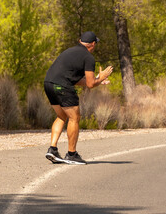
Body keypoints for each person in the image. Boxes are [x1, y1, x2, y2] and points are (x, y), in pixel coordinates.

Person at [43, 31, 113, 164]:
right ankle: (72, 154)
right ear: (92, 44)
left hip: (48, 84)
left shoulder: (69, 51)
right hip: (61, 86)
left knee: (62, 116)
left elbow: (78, 80)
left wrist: (98, 80)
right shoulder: (88, 57)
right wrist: (101, 78)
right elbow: (91, 84)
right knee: (74, 118)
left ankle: (52, 149)